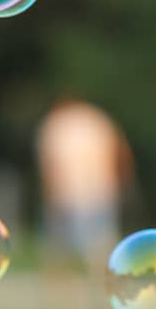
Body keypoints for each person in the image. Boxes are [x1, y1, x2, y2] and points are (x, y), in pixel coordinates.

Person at [35, 98, 130, 273]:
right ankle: (106, 287)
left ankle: (63, 293)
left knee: (59, 248)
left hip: (65, 193)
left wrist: (49, 193)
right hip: (101, 190)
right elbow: (120, 151)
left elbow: (50, 164)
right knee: (101, 244)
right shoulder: (98, 119)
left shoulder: (56, 124)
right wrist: (122, 182)